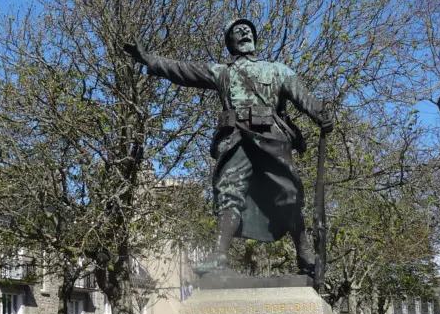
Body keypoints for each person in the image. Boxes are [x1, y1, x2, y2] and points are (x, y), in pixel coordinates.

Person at [124, 19, 333, 275]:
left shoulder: (278, 70)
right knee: (229, 193)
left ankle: (305, 254)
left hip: (271, 138)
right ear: (231, 43)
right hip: (235, 140)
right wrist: (149, 59)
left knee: (288, 196)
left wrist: (319, 114)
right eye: (237, 31)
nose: (244, 32)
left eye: (247, 30)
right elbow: (183, 70)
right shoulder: (222, 72)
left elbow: (304, 98)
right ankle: (220, 256)